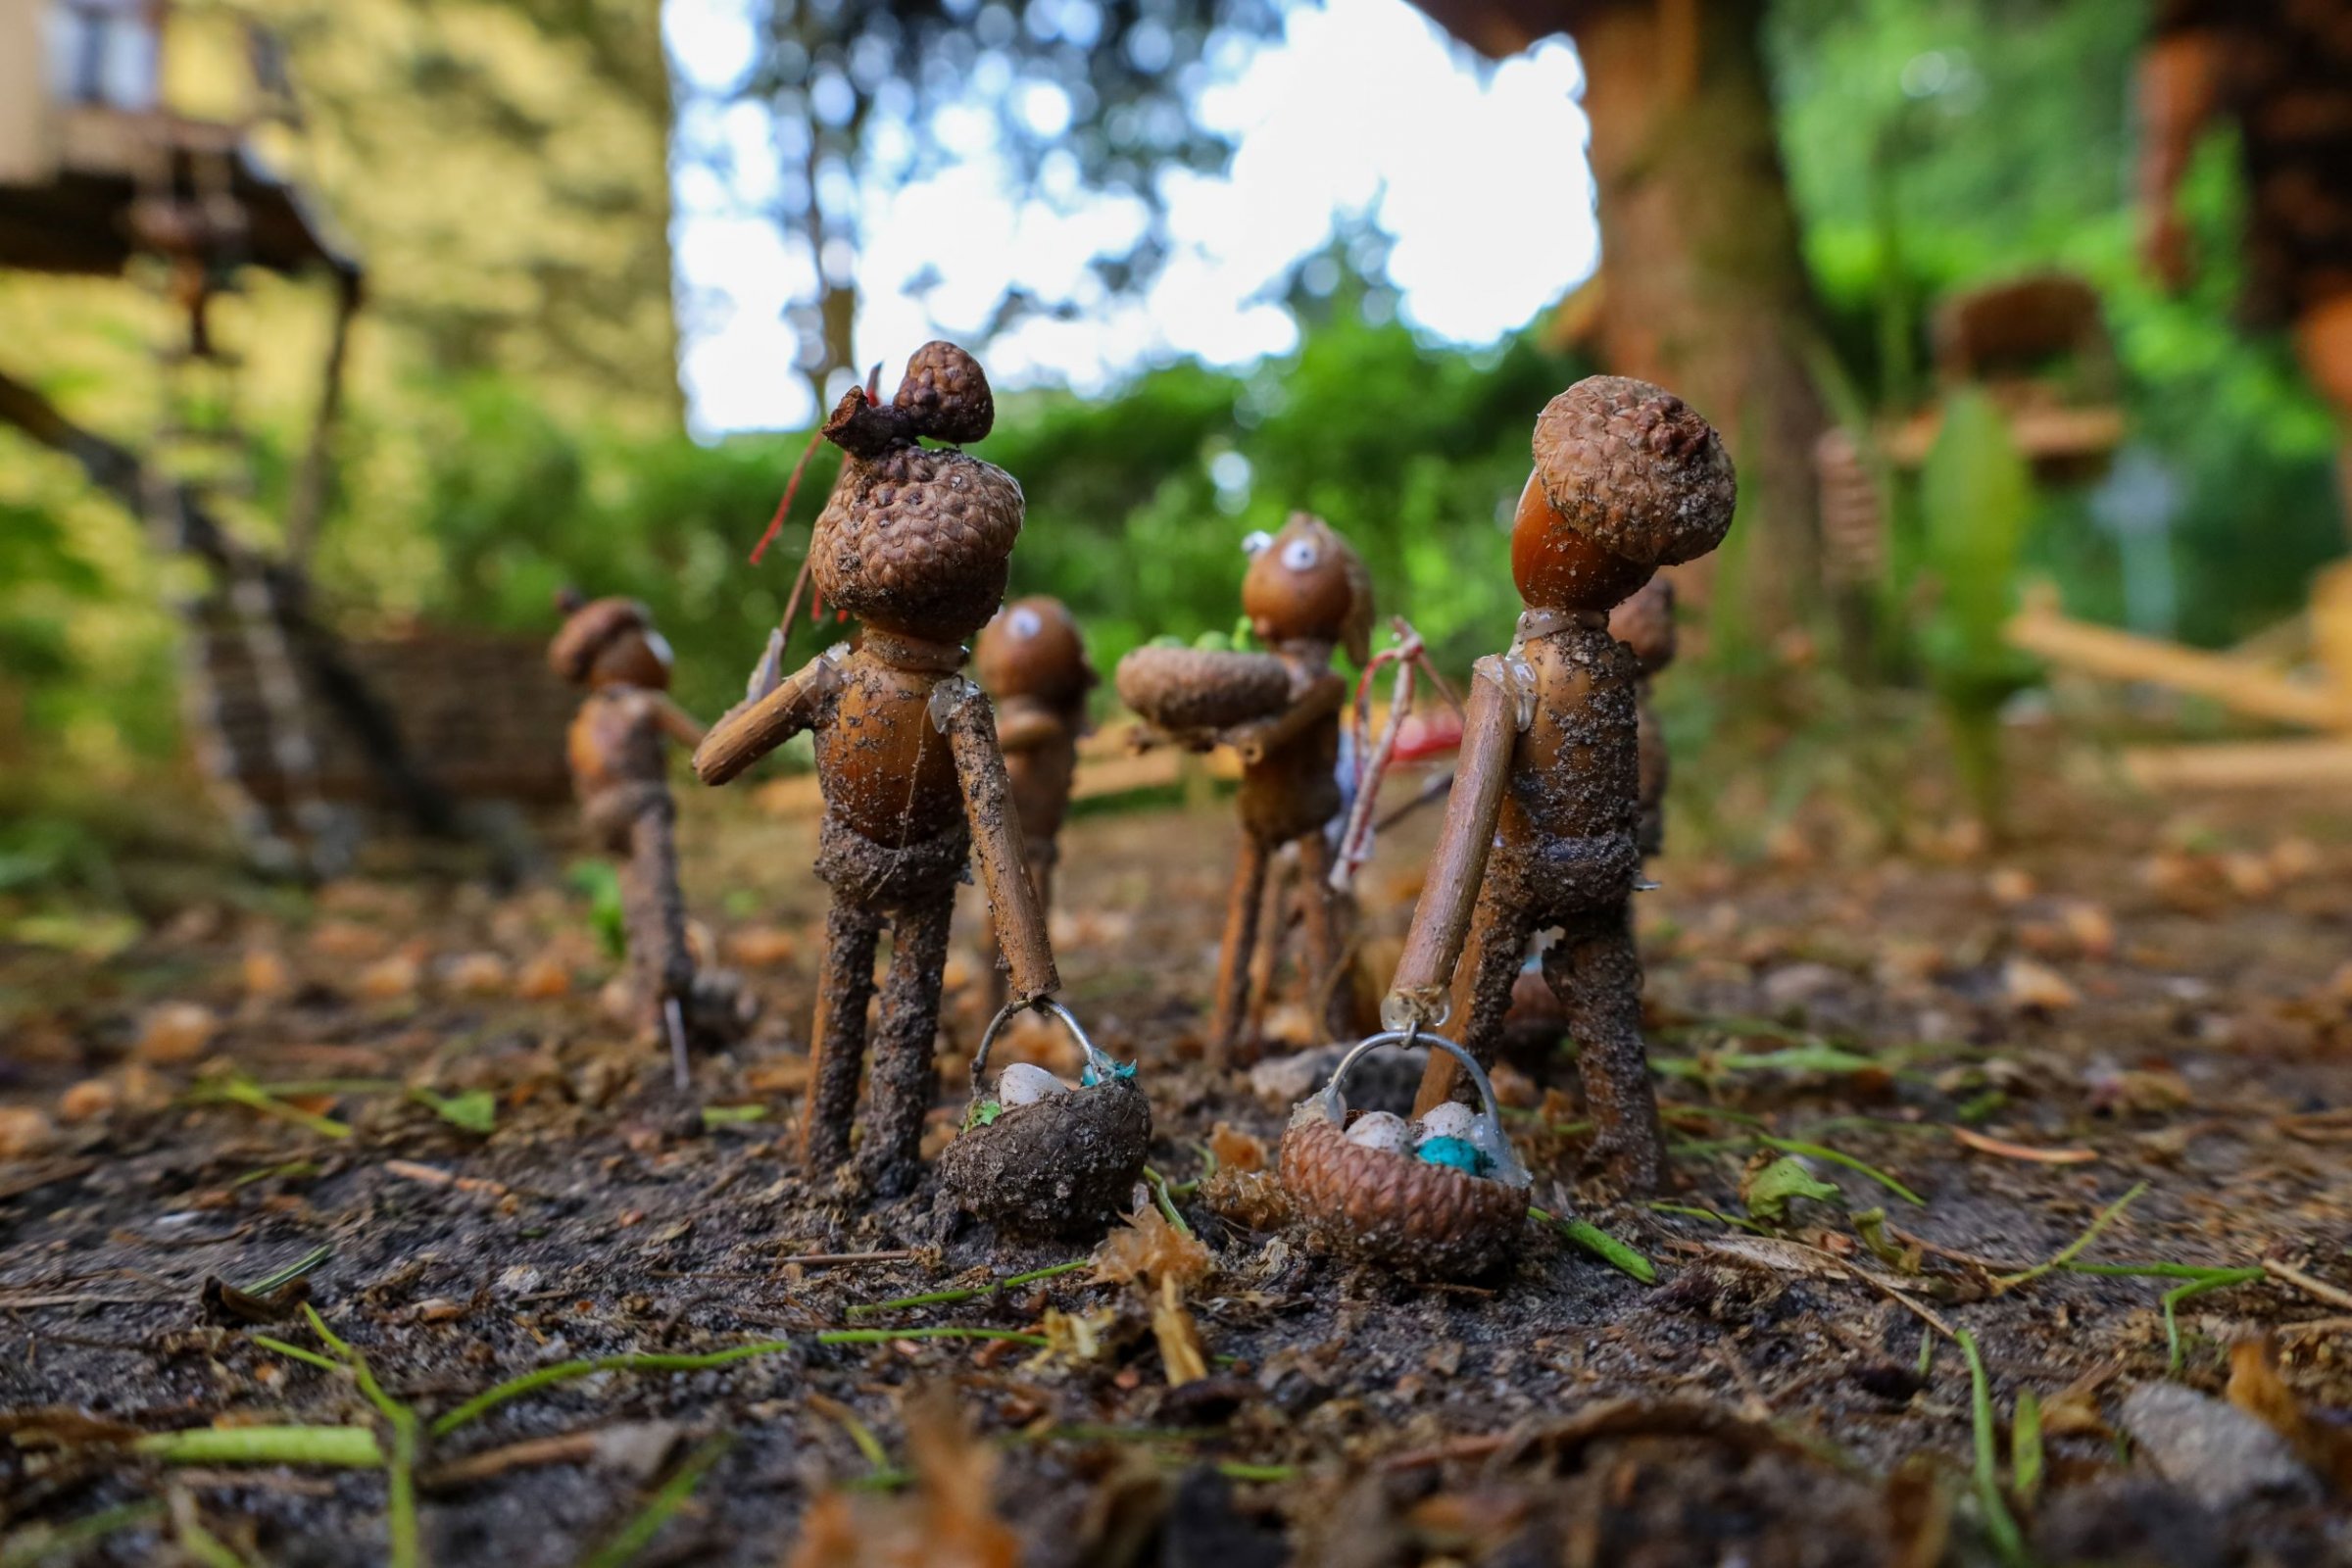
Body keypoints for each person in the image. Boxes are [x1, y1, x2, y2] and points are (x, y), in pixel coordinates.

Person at [2140, 0, 2352, 529]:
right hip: (2314, 173)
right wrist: (2163, 194)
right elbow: (2182, 51)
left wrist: (2162, 199)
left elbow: (2180, 57)